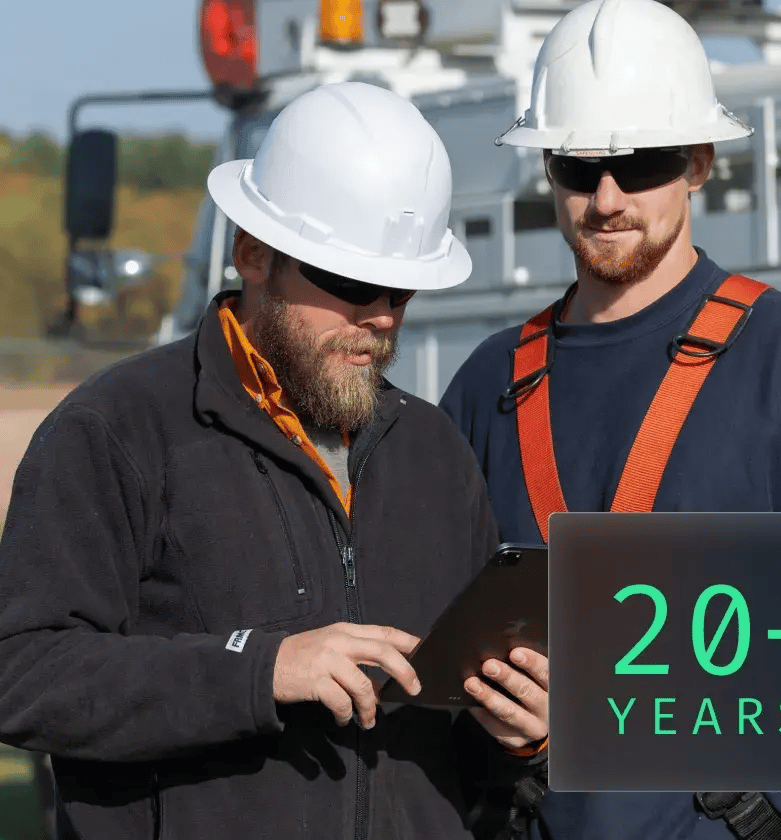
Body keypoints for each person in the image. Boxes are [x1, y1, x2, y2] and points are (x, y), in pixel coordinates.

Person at [438, 0, 781, 838]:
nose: (605, 198)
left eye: (640, 163)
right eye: (577, 166)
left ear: (699, 162)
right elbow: (435, 652)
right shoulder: (489, 383)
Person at [0, 81, 547, 840]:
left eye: (402, 288)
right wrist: (258, 670)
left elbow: (458, 759)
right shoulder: (115, 429)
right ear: (253, 254)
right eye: (352, 283)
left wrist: (518, 736)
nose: (381, 316)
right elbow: (23, 674)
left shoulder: (435, 452)